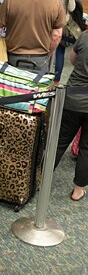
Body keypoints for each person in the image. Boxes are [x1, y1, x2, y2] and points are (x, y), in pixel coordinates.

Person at [54, 30, 88, 202]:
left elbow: (73, 60)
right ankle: (78, 190)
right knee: (87, 149)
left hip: (73, 97)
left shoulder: (84, 36)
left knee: (59, 141)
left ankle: (40, 180)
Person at [48, 0, 76, 84]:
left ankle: (42, 76)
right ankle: (56, 81)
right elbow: (71, 7)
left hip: (47, 20)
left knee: (46, 49)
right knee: (60, 51)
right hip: (62, 22)